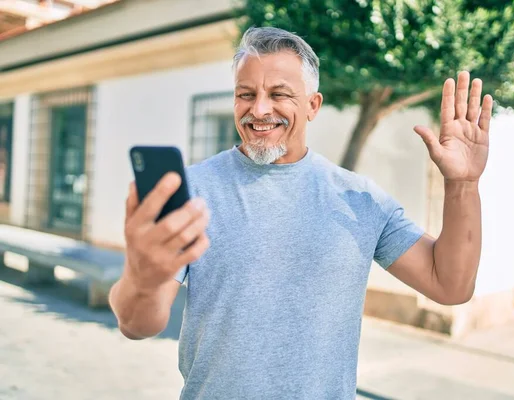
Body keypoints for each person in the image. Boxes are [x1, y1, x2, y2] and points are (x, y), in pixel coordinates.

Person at [108, 26, 493, 399]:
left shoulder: (359, 198)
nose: (259, 109)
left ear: (313, 105)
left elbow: (450, 285)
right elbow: (137, 325)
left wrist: (463, 185)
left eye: (279, 94)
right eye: (246, 94)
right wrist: (142, 276)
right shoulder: (190, 193)